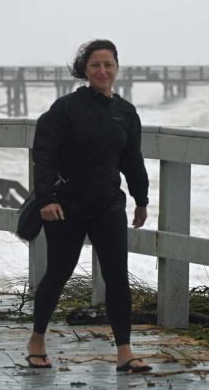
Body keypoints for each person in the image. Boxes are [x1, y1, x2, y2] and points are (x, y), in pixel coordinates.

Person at [25, 39, 152, 373]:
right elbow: (44, 154)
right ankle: (37, 339)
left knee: (117, 277)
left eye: (108, 64)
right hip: (66, 205)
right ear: (85, 69)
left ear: (117, 68)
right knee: (58, 273)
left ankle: (124, 351)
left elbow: (132, 160)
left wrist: (141, 199)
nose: (102, 70)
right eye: (96, 65)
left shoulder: (126, 113)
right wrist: (46, 199)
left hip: (108, 204)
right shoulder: (66, 108)